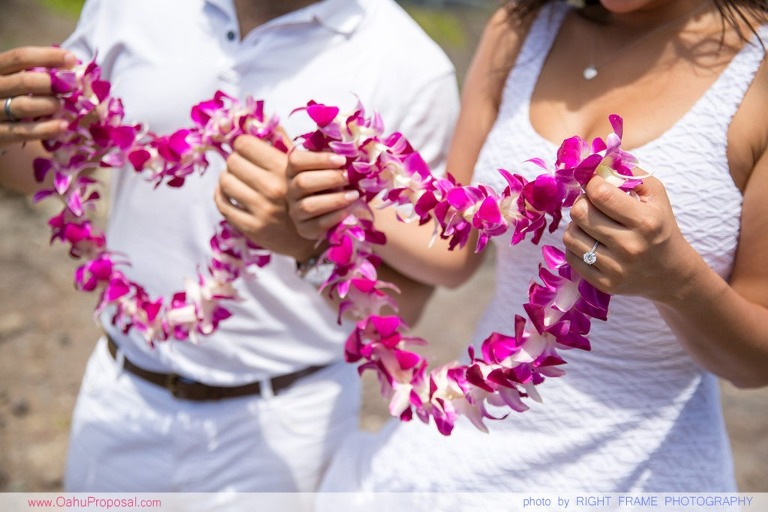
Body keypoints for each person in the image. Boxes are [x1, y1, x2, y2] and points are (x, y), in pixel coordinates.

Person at [282, 0, 768, 502]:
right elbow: (454, 250)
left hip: (640, 476)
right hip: (460, 459)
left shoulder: (759, 72)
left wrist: (676, 281)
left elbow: (754, 365)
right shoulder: (521, 27)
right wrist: (336, 200)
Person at [0, 0, 459, 493]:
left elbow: (405, 303)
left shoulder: (413, 67)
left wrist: (311, 243)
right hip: (121, 396)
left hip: (286, 427)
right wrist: (10, 124)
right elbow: (32, 172)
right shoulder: (126, 7)